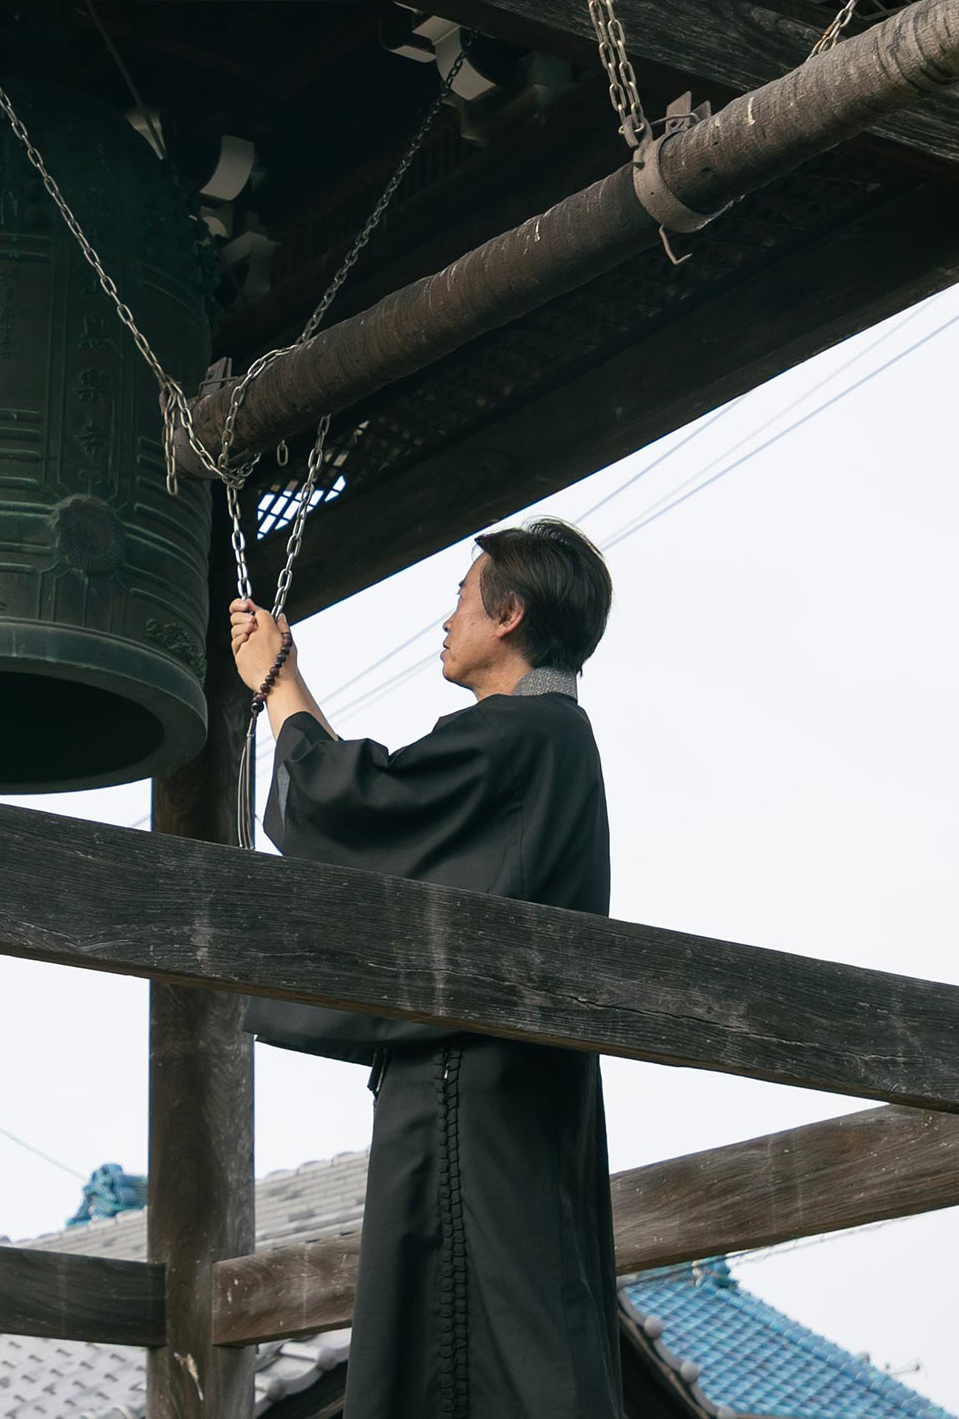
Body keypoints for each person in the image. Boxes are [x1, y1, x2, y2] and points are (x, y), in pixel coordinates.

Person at [227, 517, 621, 1419]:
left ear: (509, 613)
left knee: (476, 1341)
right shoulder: (547, 743)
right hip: (502, 1083)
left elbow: (357, 813)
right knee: (522, 1322)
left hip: (467, 1083)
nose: (446, 619)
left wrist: (277, 683)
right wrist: (287, 686)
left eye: (461, 595)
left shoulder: (523, 735)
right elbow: (378, 833)